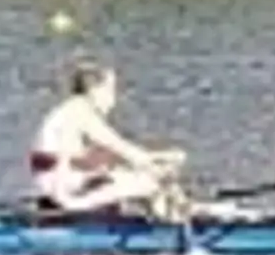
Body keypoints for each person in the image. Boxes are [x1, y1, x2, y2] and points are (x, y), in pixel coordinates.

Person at [30, 63, 188, 217]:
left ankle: (170, 218)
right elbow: (126, 151)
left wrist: (159, 159)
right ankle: (172, 228)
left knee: (127, 173)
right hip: (65, 194)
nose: (113, 99)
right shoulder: (81, 114)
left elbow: (119, 155)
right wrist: (165, 162)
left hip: (58, 184)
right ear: (94, 90)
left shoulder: (70, 110)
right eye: (110, 91)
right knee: (148, 183)